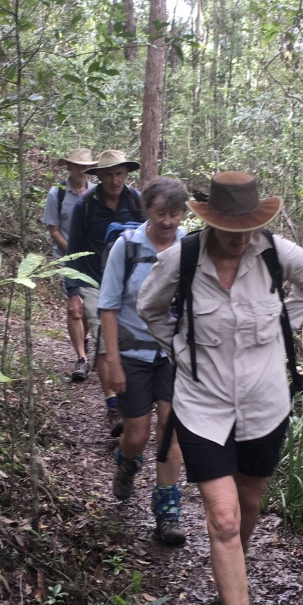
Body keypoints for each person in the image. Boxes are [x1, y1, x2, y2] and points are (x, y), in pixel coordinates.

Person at [138, 171, 303, 605]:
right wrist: (179, 348)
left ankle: (231, 577)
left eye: (249, 225)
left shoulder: (273, 252)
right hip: (203, 403)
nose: (241, 235)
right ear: (212, 220)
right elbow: (149, 306)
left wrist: (284, 328)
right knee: (221, 518)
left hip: (266, 402)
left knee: (247, 506)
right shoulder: (184, 256)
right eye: (231, 226)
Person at [98, 177, 188, 545]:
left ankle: (167, 512)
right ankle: (126, 460)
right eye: (161, 212)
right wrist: (113, 364)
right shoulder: (127, 246)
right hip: (132, 352)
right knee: (137, 435)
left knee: (171, 432)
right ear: (146, 210)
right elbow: (107, 306)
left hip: (173, 354)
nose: (168, 221)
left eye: (176, 213)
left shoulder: (190, 247)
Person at [66, 150, 143, 429]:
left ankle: (132, 396)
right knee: (102, 337)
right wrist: (72, 291)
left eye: (119, 173)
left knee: (129, 339)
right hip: (92, 280)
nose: (114, 179)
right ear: (98, 176)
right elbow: (73, 248)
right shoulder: (85, 206)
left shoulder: (136, 201)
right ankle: (114, 408)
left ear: (126, 174)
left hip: (129, 282)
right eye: (109, 174)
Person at [40, 148, 96, 382]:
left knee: (89, 306)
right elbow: (53, 227)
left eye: (84, 166)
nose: (80, 170)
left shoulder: (96, 192)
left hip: (93, 260)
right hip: (66, 259)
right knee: (75, 306)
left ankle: (86, 340)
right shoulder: (58, 193)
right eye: (76, 165)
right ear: (69, 167)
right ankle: (82, 359)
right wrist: (71, 252)